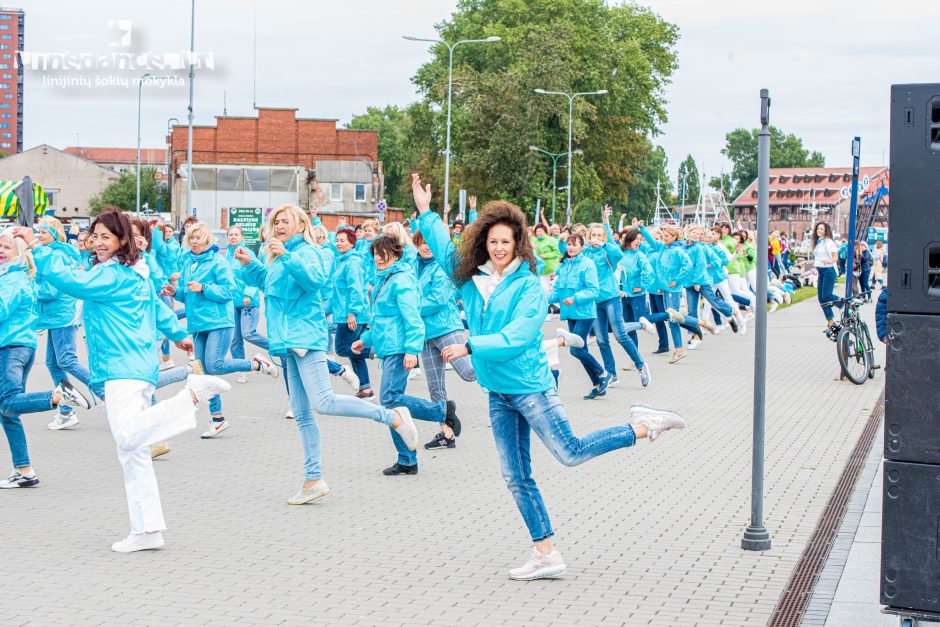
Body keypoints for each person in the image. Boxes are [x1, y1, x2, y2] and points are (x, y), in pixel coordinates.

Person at [411, 172, 686, 581]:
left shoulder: (529, 288)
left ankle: (642, 425)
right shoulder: (474, 281)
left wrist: (471, 345)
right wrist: (426, 212)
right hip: (498, 392)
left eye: (506, 241)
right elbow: (443, 250)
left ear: (517, 243)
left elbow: (520, 337)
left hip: (530, 389)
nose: (499, 248)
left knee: (570, 451)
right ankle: (546, 554)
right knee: (515, 476)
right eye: (493, 242)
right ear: (484, 244)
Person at [14, 214, 231, 552]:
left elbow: (72, 283)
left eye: (106, 237)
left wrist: (35, 247)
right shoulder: (135, 271)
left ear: (121, 241)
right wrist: (178, 335)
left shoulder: (114, 274)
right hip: (132, 366)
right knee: (133, 453)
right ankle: (147, 531)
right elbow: (157, 311)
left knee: (128, 437)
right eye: (94, 235)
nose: (98, 242)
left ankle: (189, 397)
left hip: (122, 368)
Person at [235, 204, 418, 503]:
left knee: (324, 402)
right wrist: (251, 265)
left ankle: (392, 417)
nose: (279, 226)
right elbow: (270, 285)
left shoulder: (308, 251)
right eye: (276, 222)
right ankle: (313, 479)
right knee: (302, 414)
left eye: (285, 221)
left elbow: (313, 281)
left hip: (305, 337)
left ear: (300, 224)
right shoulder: (278, 255)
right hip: (286, 341)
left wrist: (286, 255)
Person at [162, 222, 277, 438]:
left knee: (214, 366)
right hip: (198, 324)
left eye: (198, 238)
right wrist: (174, 292)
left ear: (207, 240)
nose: (194, 241)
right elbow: (188, 294)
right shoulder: (188, 261)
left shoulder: (218, 261)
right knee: (203, 373)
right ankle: (218, 419)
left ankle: (256, 364)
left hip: (219, 322)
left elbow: (228, 291)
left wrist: (205, 288)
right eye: (191, 238)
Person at [0, 230, 93, 489]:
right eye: (0, 245)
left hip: (12, 347)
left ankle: (59, 396)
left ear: (20, 253)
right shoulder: (10, 276)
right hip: (18, 345)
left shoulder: (14, 280)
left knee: (7, 403)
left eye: (7, 247)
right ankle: (25, 470)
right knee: (7, 412)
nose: (1, 250)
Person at [351, 235, 445, 475]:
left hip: (399, 348)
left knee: (390, 400)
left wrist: (412, 349)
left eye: (384, 254)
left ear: (396, 254)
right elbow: (381, 318)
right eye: (376, 254)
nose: (379, 258)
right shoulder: (384, 278)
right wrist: (365, 340)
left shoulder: (401, 280)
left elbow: (412, 318)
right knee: (394, 408)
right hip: (387, 346)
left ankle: (442, 412)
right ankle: (407, 460)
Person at [34, 217, 104, 430]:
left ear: (54, 233)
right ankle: (66, 410)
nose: (39, 236)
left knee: (66, 360)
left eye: (43, 232)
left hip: (62, 315)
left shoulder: (59, 255)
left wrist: (30, 290)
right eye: (38, 232)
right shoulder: (53, 252)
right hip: (54, 317)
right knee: (53, 363)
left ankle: (106, 393)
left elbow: (53, 289)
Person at [411, 229, 477, 449]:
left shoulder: (443, 266)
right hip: (426, 335)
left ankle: (501, 361)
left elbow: (437, 300)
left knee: (468, 373)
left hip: (447, 328)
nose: (427, 246)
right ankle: (446, 434)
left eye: (431, 242)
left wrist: (408, 310)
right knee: (435, 388)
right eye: (422, 242)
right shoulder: (412, 266)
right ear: (417, 244)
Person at [582, 208, 648, 385]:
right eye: (593, 235)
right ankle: (611, 373)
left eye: (599, 235)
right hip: (594, 301)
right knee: (602, 339)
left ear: (604, 237)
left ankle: (641, 364)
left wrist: (605, 227)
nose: (595, 238)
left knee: (619, 335)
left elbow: (618, 254)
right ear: (588, 236)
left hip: (611, 297)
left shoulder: (608, 250)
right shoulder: (585, 253)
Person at [548, 233, 611, 398]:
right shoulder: (563, 265)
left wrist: (575, 298)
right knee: (581, 349)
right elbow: (558, 291)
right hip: (570, 314)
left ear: (582, 247)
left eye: (575, 244)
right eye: (569, 244)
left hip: (584, 314)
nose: (571, 247)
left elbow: (593, 290)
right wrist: (543, 299)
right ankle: (598, 385)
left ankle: (603, 374)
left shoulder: (587, 264)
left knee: (576, 350)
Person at [331, 228, 377, 401]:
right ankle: (366, 390)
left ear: (352, 243)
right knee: (353, 352)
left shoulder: (353, 263)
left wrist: (352, 313)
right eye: (337, 240)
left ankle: (378, 351)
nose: (338, 243)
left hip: (351, 315)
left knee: (343, 348)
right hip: (345, 313)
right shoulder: (343, 261)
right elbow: (337, 292)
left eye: (342, 240)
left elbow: (356, 289)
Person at [812, 222, 840, 333]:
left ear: (826, 231)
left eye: (821, 229)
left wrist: (829, 261)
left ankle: (844, 304)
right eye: (818, 229)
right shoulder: (819, 243)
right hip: (821, 271)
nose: (819, 230)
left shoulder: (829, 242)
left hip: (829, 270)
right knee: (821, 298)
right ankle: (831, 322)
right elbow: (818, 259)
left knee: (827, 295)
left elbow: (835, 257)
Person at [532, 223, 562, 296]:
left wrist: (546, 255)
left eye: (541, 231)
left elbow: (557, 253)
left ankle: (553, 305)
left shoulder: (551, 240)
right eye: (537, 231)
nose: (539, 233)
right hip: (541, 270)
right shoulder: (533, 241)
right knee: (544, 290)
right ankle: (546, 305)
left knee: (553, 289)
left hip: (552, 269)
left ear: (545, 231)